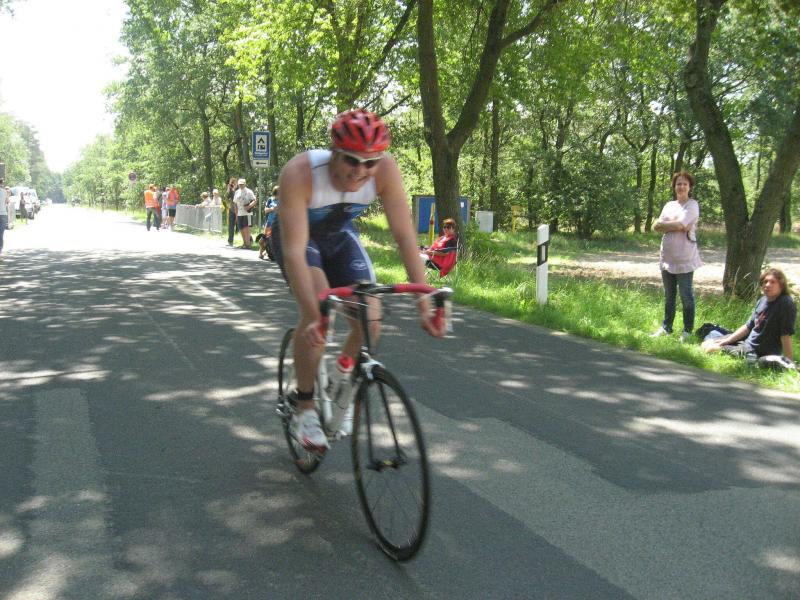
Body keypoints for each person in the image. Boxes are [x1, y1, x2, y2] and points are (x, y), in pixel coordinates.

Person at [271, 108, 445, 452]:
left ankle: (341, 378)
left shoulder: (386, 171)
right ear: (334, 153)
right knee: (320, 310)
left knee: (371, 320)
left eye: (371, 163)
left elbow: (405, 237)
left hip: (339, 236)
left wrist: (424, 301)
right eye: (352, 160)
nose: (361, 171)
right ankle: (304, 406)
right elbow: (294, 253)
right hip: (299, 239)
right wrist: (314, 315)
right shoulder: (300, 172)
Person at [702, 268, 796, 364]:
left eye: (773, 282)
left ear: (781, 285)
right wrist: (727, 341)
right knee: (706, 343)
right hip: (746, 342)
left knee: (710, 349)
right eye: (765, 282)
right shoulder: (763, 300)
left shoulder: (785, 304)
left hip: (757, 351)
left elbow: (786, 334)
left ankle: (751, 358)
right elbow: (748, 326)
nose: (767, 285)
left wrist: (789, 361)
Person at [651, 171, 702, 342]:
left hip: (685, 258)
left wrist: (665, 225)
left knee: (686, 296)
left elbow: (682, 224)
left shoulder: (692, 205)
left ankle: (687, 331)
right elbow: (655, 226)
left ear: (690, 187)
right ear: (674, 186)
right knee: (669, 295)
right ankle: (666, 327)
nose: (681, 187)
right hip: (667, 258)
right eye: (678, 184)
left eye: (685, 184)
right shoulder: (669, 205)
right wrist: (676, 225)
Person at [257, 185, 279, 259]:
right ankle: (261, 253)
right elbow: (265, 210)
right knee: (263, 240)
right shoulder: (270, 199)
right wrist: (272, 209)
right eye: (277, 194)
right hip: (269, 223)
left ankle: (271, 253)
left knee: (274, 240)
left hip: (278, 224)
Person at [233, 178, 256, 248]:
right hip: (239, 213)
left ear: (245, 184)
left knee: (246, 228)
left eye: (242, 184)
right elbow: (235, 203)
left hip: (247, 213)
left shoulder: (249, 191)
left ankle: (248, 244)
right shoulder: (237, 192)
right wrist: (236, 214)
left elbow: (255, 200)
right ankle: (244, 243)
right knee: (241, 228)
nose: (241, 185)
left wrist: (249, 206)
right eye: (239, 184)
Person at [224, 177, 238, 245]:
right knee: (231, 226)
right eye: (231, 183)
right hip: (232, 209)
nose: (232, 184)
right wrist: (228, 189)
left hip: (240, 210)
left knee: (242, 226)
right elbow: (226, 198)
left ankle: (248, 240)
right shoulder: (230, 190)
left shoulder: (239, 189)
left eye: (233, 182)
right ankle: (230, 241)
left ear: (236, 183)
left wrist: (234, 189)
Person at [0, 179, 8, 255]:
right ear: (2, 184)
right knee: (1, 233)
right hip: (3, 214)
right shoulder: (5, 192)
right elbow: (7, 202)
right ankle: (0, 249)